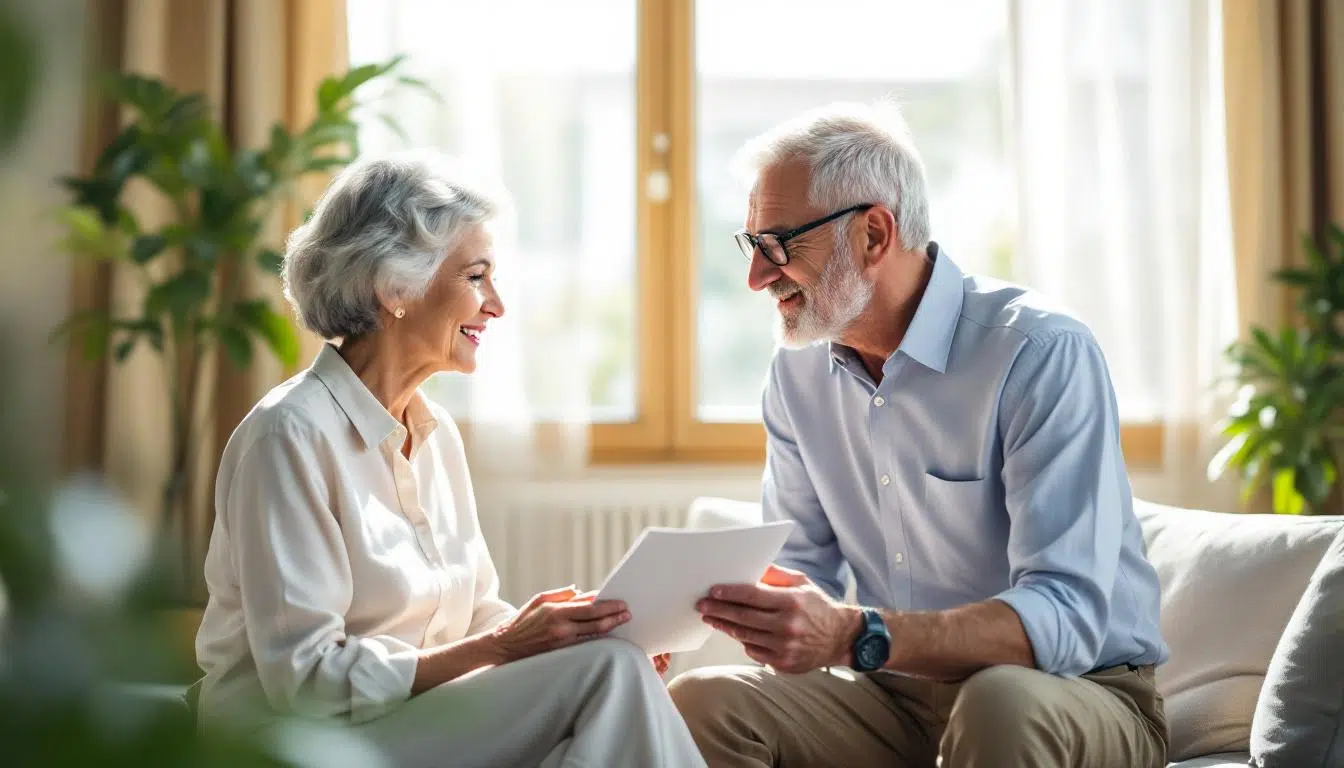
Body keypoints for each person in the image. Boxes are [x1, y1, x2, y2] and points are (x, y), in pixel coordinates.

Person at [667, 102, 1170, 768]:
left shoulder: (1040, 353)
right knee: (704, 701)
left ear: (874, 235)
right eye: (752, 245)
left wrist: (856, 634)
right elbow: (800, 575)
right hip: (894, 695)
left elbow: (1066, 613)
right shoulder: (796, 374)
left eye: (780, 245)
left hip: (1075, 690)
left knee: (999, 703)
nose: (757, 277)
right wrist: (686, 614)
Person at [195, 150, 705, 768]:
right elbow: (307, 682)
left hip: (407, 720)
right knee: (609, 674)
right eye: (476, 277)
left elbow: (474, 617)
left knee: (613, 661)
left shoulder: (435, 436)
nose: (497, 305)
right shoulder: (288, 436)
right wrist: (505, 646)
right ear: (394, 288)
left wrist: (565, 633)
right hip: (300, 743)